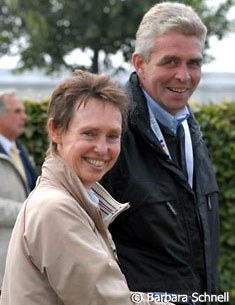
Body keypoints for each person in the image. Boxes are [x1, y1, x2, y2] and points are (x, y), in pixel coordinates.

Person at [0, 70, 169, 305]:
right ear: (56, 130)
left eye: (113, 136)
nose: (102, 148)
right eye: (89, 133)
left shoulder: (73, 200)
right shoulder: (57, 208)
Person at [101, 2, 219, 302]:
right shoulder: (110, 134)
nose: (184, 76)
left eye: (194, 63)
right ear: (140, 63)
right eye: (170, 62)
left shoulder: (189, 129)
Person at [0, 90, 38, 286]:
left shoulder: (19, 148)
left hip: (24, 258)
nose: (24, 116)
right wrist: (29, 211)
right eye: (17, 111)